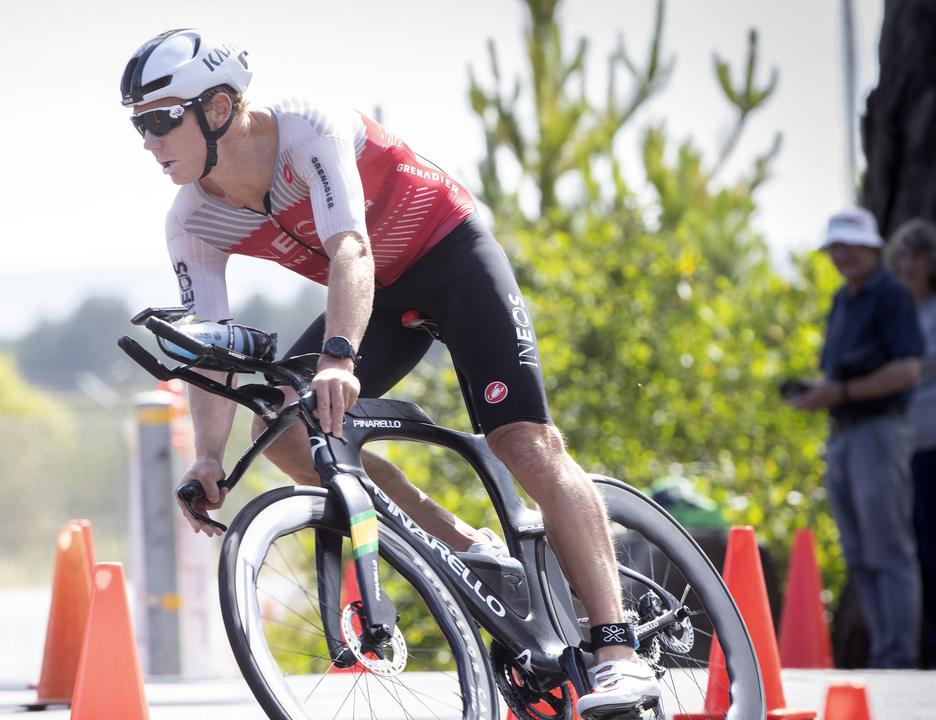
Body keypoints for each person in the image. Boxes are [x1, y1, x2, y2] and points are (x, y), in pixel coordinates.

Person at [120, 29, 659, 715]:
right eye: (139, 124)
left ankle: (617, 650)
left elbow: (351, 247)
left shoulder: (305, 128)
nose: (148, 140)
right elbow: (212, 353)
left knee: (523, 443)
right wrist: (207, 457)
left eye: (161, 119)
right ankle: (465, 545)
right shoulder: (194, 218)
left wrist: (339, 356)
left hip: (448, 256)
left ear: (218, 109)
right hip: (381, 301)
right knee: (287, 427)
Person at [788, 208, 924, 669]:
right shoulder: (844, 299)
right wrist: (820, 394)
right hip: (844, 434)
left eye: (850, 245)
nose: (841, 255)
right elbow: (840, 371)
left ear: (872, 247)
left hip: (880, 432)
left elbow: (908, 370)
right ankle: (887, 654)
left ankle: (899, 657)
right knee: (859, 553)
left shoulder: (891, 296)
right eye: (835, 247)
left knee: (888, 550)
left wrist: (839, 391)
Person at [886, 217, 936, 668]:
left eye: (915, 255)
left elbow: (915, 368)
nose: (906, 264)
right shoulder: (899, 311)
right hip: (904, 448)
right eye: (900, 255)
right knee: (917, 549)